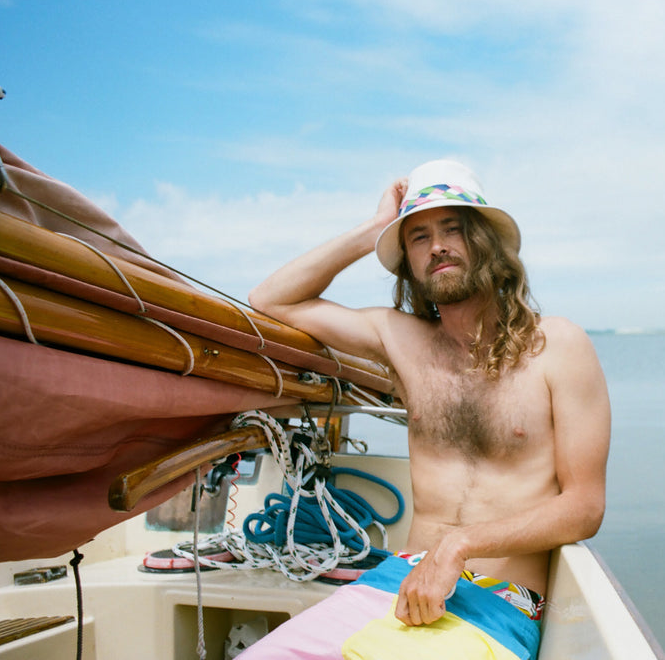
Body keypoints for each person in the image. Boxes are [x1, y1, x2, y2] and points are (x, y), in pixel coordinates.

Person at [244, 160, 610, 659]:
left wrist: (457, 545)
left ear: (485, 243)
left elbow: (584, 507)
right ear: (409, 265)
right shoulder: (403, 341)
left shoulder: (559, 346)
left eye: (452, 229)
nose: (437, 245)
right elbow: (269, 300)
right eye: (417, 237)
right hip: (397, 580)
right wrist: (373, 231)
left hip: (500, 601)